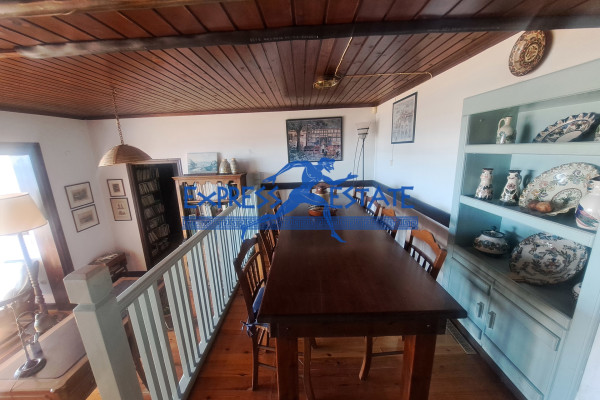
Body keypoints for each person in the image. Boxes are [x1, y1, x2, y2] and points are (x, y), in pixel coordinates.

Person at [241, 158, 356, 242]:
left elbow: (330, 183)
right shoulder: (310, 166)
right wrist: (276, 174)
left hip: (300, 195)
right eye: (329, 164)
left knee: (277, 216)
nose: (331, 166)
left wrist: (346, 178)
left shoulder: (320, 173)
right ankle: (333, 232)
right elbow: (292, 164)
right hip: (299, 194)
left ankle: (249, 225)